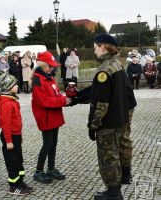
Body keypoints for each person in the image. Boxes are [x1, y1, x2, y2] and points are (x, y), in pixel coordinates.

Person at [77, 33, 129, 200]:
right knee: (115, 153)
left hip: (107, 124)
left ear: (103, 46)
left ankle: (113, 192)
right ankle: (116, 187)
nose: (94, 51)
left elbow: (101, 104)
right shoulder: (117, 64)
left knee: (108, 157)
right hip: (119, 119)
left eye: (95, 48)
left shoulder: (104, 70)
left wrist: (93, 125)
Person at [31, 51, 71, 184]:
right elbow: (43, 101)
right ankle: (38, 171)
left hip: (54, 116)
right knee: (47, 145)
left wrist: (66, 99)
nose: (52, 68)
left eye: (53, 66)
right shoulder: (38, 79)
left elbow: (56, 94)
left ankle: (51, 169)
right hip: (46, 117)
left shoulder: (49, 78)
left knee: (53, 144)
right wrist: (62, 101)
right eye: (49, 66)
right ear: (42, 65)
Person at [0, 73, 33, 196]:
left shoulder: (11, 100)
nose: (17, 86)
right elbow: (6, 125)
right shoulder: (6, 104)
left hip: (15, 135)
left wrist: (19, 135)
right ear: (7, 87)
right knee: (12, 161)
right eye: (15, 84)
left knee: (18, 160)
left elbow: (16, 122)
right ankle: (13, 186)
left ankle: (20, 182)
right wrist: (9, 141)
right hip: (10, 137)